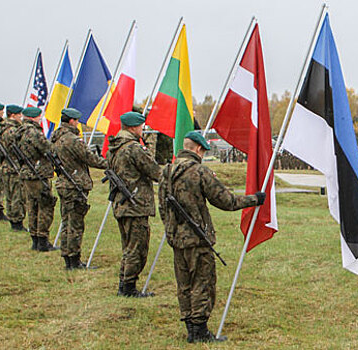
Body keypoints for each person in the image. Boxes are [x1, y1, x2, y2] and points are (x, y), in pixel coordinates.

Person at [159, 131, 264, 343]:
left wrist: (171, 229)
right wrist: (255, 199)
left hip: (176, 238)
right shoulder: (199, 172)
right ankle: (199, 331)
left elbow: (162, 206)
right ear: (197, 149)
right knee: (202, 283)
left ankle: (190, 327)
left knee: (184, 283)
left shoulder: (166, 171)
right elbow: (227, 202)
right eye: (204, 150)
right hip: (197, 240)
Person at [106, 111, 161, 297]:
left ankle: (125, 283)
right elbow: (154, 170)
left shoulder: (114, 147)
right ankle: (128, 287)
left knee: (128, 246)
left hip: (122, 203)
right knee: (137, 248)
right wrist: (151, 144)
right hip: (135, 203)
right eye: (141, 126)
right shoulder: (133, 148)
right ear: (133, 127)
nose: (142, 129)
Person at [52, 108, 107, 269]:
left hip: (64, 183)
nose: (77, 123)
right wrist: (109, 163)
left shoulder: (56, 138)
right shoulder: (72, 140)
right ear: (71, 121)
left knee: (66, 222)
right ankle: (74, 260)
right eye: (76, 121)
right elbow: (90, 158)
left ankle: (67, 257)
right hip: (75, 185)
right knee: (75, 224)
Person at [18, 107, 57, 251]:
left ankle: (35, 238)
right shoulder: (34, 133)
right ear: (34, 117)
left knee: (32, 206)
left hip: (27, 173)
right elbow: (49, 149)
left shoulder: (19, 132)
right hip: (38, 173)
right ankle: (42, 240)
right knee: (45, 207)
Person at [0, 104, 27, 231]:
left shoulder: (2, 128)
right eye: (19, 115)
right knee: (17, 195)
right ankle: (17, 221)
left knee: (10, 195)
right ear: (13, 115)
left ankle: (12, 218)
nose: (20, 117)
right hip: (14, 165)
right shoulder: (13, 131)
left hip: (6, 164)